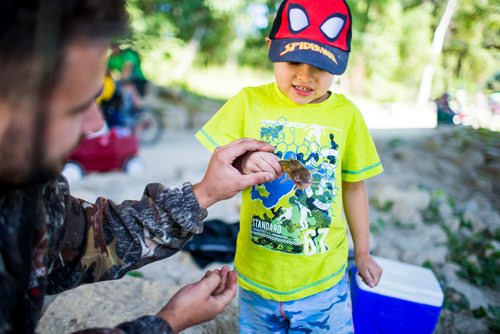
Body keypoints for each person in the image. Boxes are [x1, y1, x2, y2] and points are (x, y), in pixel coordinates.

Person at [0, 1, 279, 333]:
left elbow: (89, 241)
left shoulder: (26, 188)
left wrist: (204, 193)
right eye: (77, 108)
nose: (94, 123)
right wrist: (169, 322)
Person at [195, 0, 383, 332]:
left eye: (320, 67)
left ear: (340, 64)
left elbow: (354, 186)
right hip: (257, 277)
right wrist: (245, 158)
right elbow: (220, 158)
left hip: (322, 282)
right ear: (272, 48)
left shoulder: (347, 116)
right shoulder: (248, 102)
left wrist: (364, 252)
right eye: (294, 60)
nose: (304, 76)